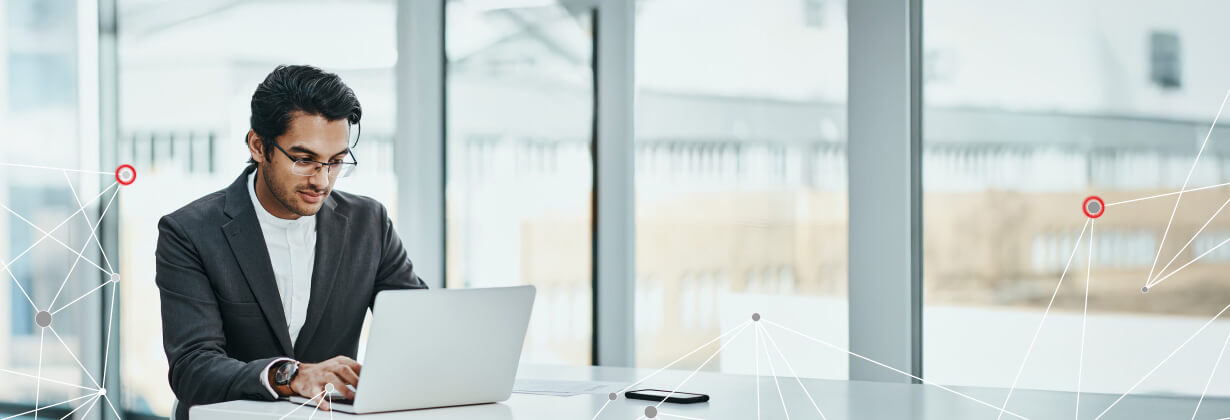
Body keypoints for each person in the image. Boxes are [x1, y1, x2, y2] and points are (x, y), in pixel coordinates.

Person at [154, 65, 427, 420]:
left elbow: (419, 328)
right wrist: (291, 376)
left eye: (337, 161)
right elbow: (192, 369)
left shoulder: (368, 223)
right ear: (258, 146)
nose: (323, 180)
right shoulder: (189, 231)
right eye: (304, 160)